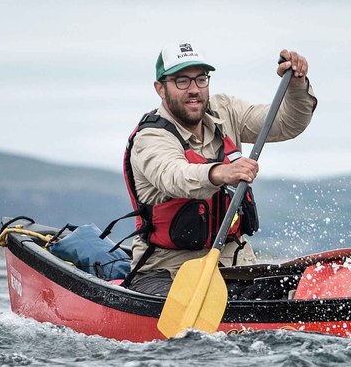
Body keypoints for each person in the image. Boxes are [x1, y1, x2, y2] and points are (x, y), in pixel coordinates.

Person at [121, 42, 317, 295]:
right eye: (182, 81)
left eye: (201, 79)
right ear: (160, 88)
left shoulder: (226, 110)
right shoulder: (150, 137)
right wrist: (219, 173)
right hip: (166, 271)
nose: (194, 89)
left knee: (294, 290)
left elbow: (287, 123)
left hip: (235, 266)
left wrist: (296, 85)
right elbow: (174, 176)